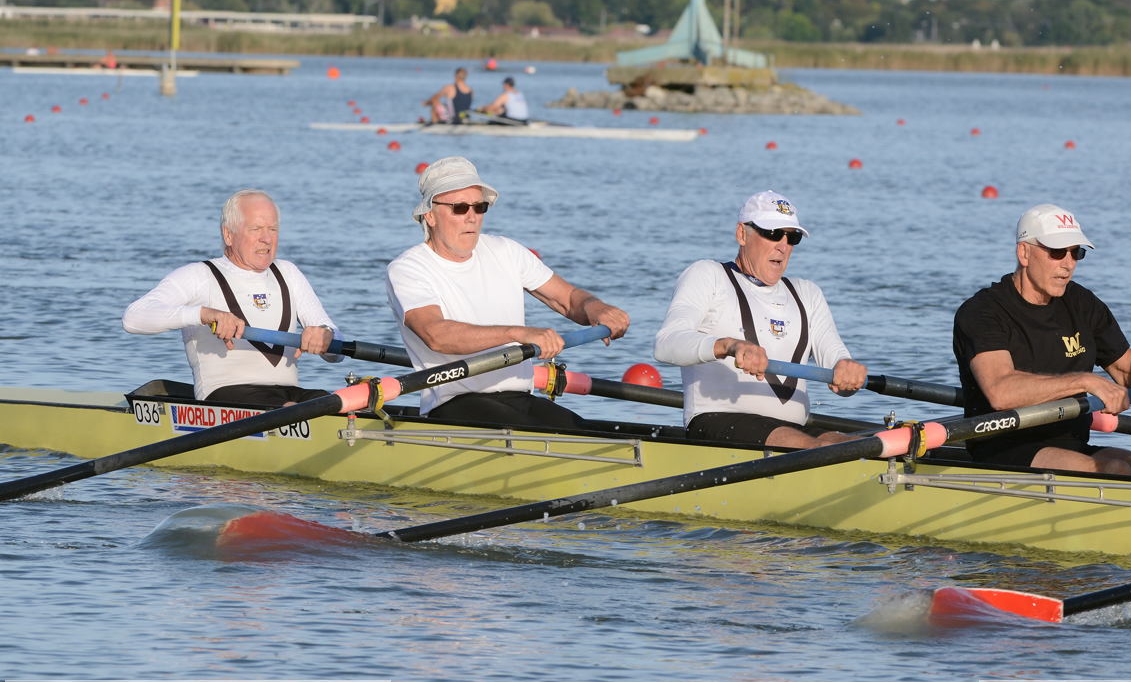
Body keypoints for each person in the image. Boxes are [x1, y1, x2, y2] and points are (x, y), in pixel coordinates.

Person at [386, 156, 630, 426]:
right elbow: (436, 334)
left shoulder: (506, 251)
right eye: (460, 208)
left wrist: (598, 309)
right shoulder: (408, 268)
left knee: (585, 433)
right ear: (429, 215)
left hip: (520, 398)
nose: (472, 217)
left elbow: (567, 299)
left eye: (480, 207)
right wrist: (518, 333)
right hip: (454, 402)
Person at [953, 203, 1131, 477]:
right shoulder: (983, 312)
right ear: (1024, 253)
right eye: (1056, 252)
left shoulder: (1082, 303)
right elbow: (1001, 391)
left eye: (1076, 252)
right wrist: (1084, 381)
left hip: (1071, 444)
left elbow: (1128, 371)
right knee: (1112, 470)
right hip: (1003, 446)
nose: (1068, 264)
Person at [654, 190, 868, 449]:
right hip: (716, 425)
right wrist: (729, 346)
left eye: (793, 237)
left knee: (851, 445)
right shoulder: (708, 275)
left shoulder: (807, 294)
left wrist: (848, 372)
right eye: (773, 233)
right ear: (742, 234)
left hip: (792, 431)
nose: (783, 245)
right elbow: (666, 344)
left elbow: (836, 363)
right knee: (823, 448)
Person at [123, 189, 343, 406]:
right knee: (290, 409)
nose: (266, 239)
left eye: (273, 229)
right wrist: (204, 314)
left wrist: (326, 336)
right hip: (224, 396)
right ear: (228, 235)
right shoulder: (200, 275)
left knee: (342, 403)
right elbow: (133, 318)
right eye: (256, 229)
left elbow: (338, 353)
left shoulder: (288, 273)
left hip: (289, 395)